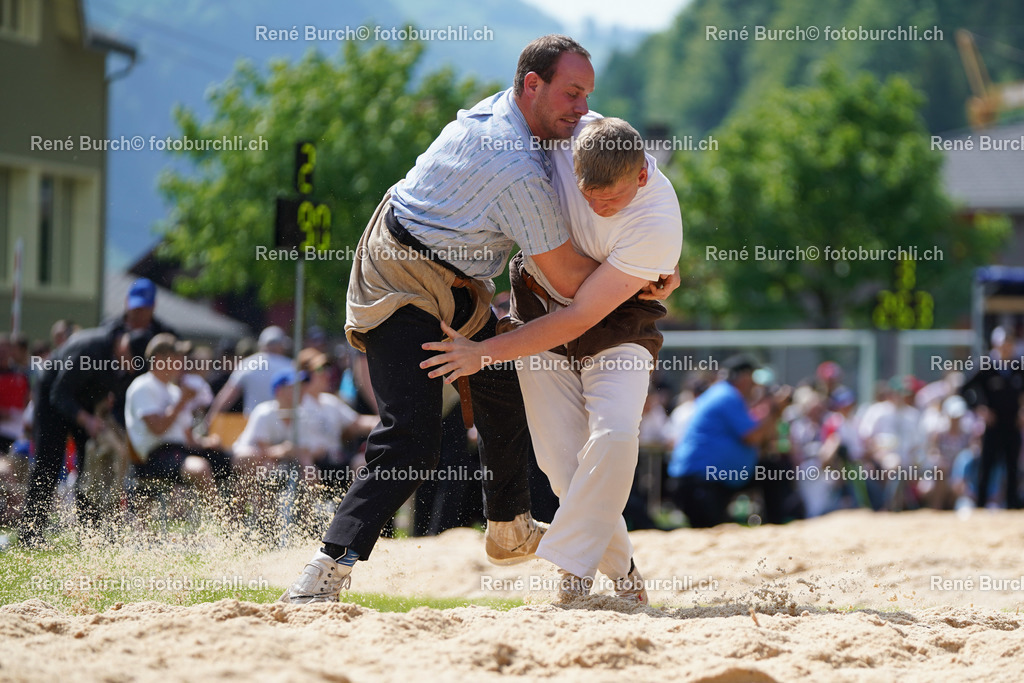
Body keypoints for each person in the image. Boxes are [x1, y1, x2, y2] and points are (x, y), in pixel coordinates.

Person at [279, 34, 679, 604]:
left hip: (457, 281)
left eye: (587, 94)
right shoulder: (514, 165)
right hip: (400, 282)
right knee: (412, 437)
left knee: (501, 383)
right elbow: (569, 284)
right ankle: (326, 570)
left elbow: (611, 150)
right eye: (571, 94)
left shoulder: (528, 114)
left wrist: (653, 262)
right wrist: (643, 272)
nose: (581, 108)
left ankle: (509, 525)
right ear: (532, 85)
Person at [424, 117, 681, 603]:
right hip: (538, 307)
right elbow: (529, 101)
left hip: (618, 321)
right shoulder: (567, 138)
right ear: (573, 164)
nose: (598, 208)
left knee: (617, 435)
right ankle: (622, 570)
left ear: (643, 175)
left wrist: (482, 353)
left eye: (611, 198)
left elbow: (581, 314)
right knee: (562, 467)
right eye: (589, 195)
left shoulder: (659, 222)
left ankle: (570, 565)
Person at [19, 326, 151, 546]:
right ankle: (30, 533)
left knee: (92, 465)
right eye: (130, 362)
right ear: (124, 347)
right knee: (48, 465)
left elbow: (113, 387)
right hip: (52, 398)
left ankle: (90, 533)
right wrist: (86, 420)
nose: (130, 369)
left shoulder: (127, 360)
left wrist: (103, 404)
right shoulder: (90, 350)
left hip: (85, 402)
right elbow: (59, 392)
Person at [666, 355, 791, 528]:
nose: (756, 385)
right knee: (709, 529)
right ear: (745, 377)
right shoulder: (727, 396)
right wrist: (775, 409)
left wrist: (774, 412)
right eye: (753, 379)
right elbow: (753, 437)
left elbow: (761, 439)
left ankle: (775, 525)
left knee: (770, 470)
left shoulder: (723, 393)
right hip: (700, 483)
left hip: (710, 480)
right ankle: (776, 525)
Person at [125, 334, 231, 500]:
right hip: (154, 456)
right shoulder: (143, 386)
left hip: (180, 451)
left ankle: (239, 518)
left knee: (239, 461)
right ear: (160, 359)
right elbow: (158, 429)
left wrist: (206, 442)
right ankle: (222, 522)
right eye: (176, 358)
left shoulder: (174, 391)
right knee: (199, 468)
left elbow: (186, 437)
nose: (182, 364)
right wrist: (182, 401)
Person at [960, 326, 1024, 509]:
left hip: (1013, 424)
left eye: (1010, 344)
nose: (1007, 348)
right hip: (993, 426)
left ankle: (1012, 504)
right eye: (1003, 344)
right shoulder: (986, 366)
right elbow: (964, 389)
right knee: (987, 465)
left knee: (1012, 465)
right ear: (996, 345)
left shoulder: (1019, 367)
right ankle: (980, 504)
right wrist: (979, 409)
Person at [203, 325, 292, 422]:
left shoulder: (248, 363)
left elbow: (228, 395)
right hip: (283, 424)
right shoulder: (290, 366)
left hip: (253, 425)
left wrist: (210, 419)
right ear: (282, 345)